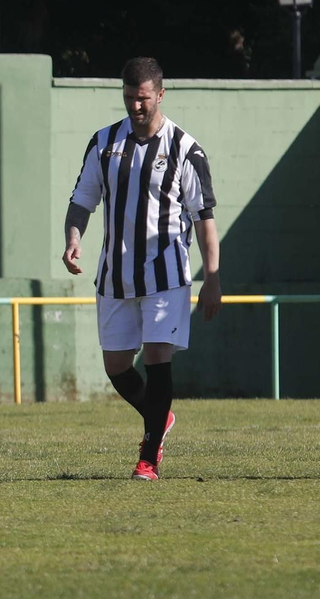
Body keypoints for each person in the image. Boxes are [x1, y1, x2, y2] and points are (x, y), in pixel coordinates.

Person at [63, 56, 220, 480]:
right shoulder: (105, 143)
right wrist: (74, 238)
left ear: (160, 95)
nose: (136, 106)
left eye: (144, 99)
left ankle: (148, 458)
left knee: (156, 357)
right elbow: (82, 200)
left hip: (166, 274)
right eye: (130, 97)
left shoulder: (185, 149)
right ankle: (160, 415)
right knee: (116, 366)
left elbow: (204, 217)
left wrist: (212, 276)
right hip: (115, 274)